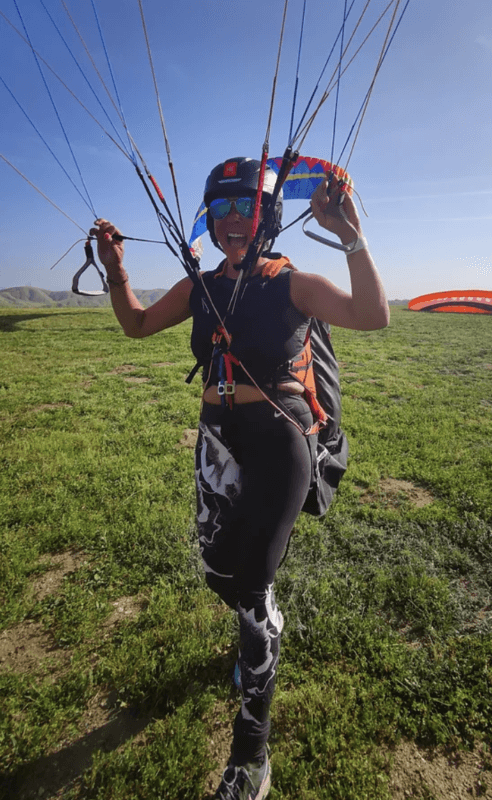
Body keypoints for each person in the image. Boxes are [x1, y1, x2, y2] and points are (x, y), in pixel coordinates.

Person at [90, 157, 389, 800]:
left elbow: (372, 314)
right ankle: (259, 621)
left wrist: (351, 235)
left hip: (279, 444)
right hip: (216, 441)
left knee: (250, 587)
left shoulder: (292, 284)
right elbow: (136, 323)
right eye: (220, 210)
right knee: (220, 572)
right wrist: (116, 271)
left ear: (267, 217)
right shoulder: (199, 287)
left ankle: (252, 751)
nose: (232, 222)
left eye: (245, 209)